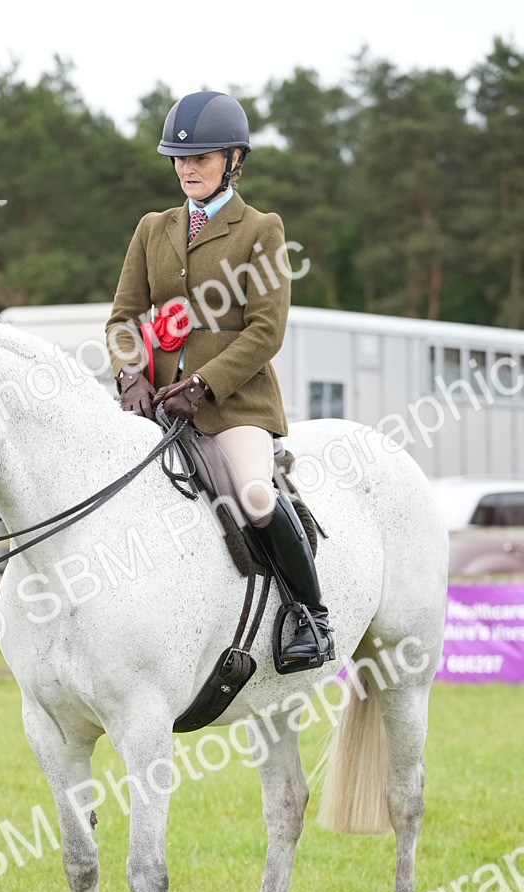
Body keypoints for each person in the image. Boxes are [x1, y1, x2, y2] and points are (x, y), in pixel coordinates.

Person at [104, 89, 334, 667]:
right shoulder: (152, 228)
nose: (187, 168)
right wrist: (131, 373)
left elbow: (265, 330)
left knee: (256, 495)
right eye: (179, 159)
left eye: (200, 158)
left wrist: (205, 384)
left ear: (234, 160)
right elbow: (124, 318)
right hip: (153, 406)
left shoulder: (260, 229)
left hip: (233, 406)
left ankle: (311, 616)